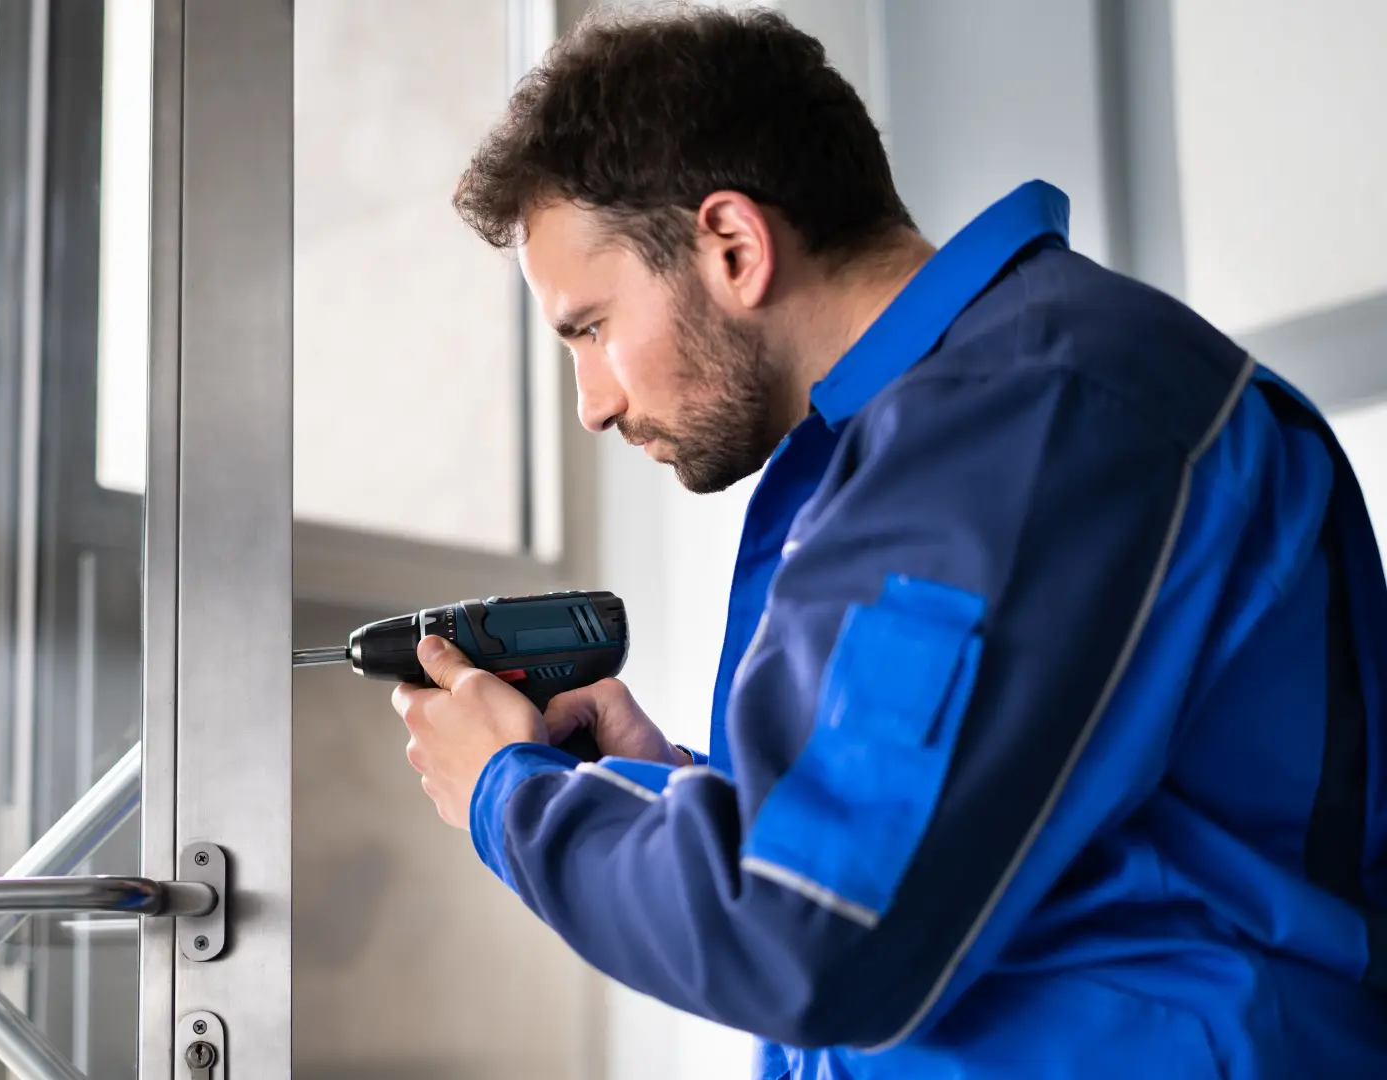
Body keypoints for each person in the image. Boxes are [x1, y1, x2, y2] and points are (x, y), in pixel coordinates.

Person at [388, 7, 1387, 1078]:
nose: (591, 402)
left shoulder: (1030, 417)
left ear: (732, 244)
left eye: (589, 327)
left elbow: (807, 938)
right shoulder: (941, 430)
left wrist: (512, 795)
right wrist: (668, 788)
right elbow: (937, 852)